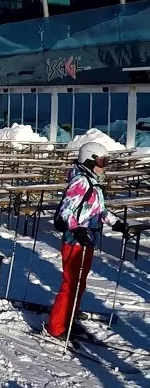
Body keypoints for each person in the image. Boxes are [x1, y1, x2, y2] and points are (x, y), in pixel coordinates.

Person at [46, 141, 132, 339]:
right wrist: (77, 230)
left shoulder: (94, 182)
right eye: (101, 161)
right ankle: (56, 328)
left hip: (88, 239)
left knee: (79, 284)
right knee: (70, 284)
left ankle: (70, 317)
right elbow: (67, 211)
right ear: (89, 159)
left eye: (106, 161)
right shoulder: (80, 182)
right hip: (75, 241)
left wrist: (117, 224)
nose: (104, 166)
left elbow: (99, 211)